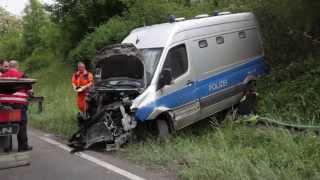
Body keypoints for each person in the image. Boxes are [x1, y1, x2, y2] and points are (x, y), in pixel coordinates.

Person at [1, 60, 32, 151]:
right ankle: (22, 147)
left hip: (4, 104)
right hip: (19, 104)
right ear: (17, 66)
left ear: (9, 66)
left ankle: (7, 147)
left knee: (6, 125)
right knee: (21, 124)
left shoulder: (2, 76)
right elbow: (30, 92)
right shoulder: (23, 76)